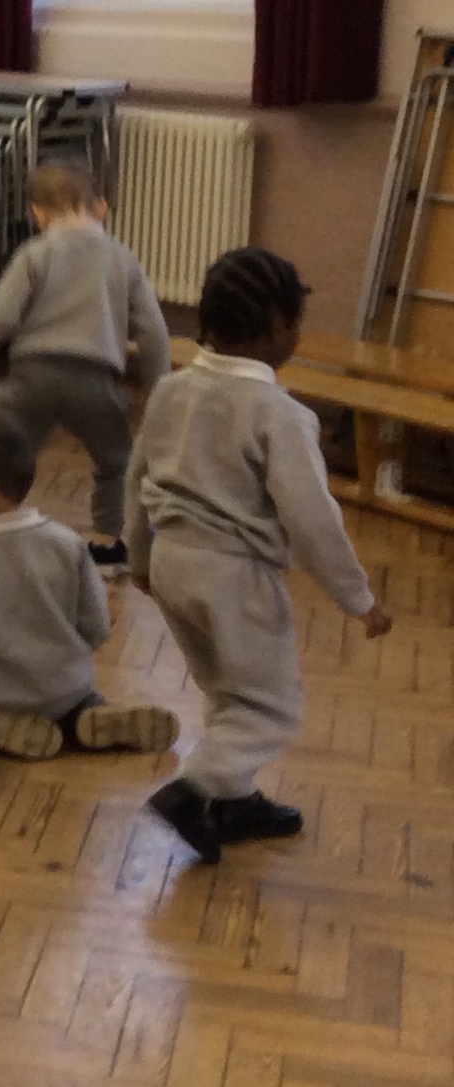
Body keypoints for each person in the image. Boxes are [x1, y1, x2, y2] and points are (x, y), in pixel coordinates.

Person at [129, 248, 393, 863]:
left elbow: (137, 476)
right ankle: (194, 789)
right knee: (270, 709)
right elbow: (312, 518)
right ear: (277, 326)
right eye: (296, 323)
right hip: (233, 576)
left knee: (228, 691)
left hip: (170, 563)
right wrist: (358, 598)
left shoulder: (170, 389)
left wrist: (138, 556)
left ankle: (235, 803)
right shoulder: (281, 415)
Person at [0, 161, 170, 585]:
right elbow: (153, 331)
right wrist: (161, 392)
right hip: (96, 382)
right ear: (102, 209)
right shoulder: (123, 259)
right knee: (116, 462)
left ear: (37, 213)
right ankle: (108, 548)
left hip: (31, 378)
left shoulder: (34, 254)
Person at [0, 413, 180, 760]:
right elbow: (96, 626)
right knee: (80, 694)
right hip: (63, 687)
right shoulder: (67, 543)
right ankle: (85, 715)